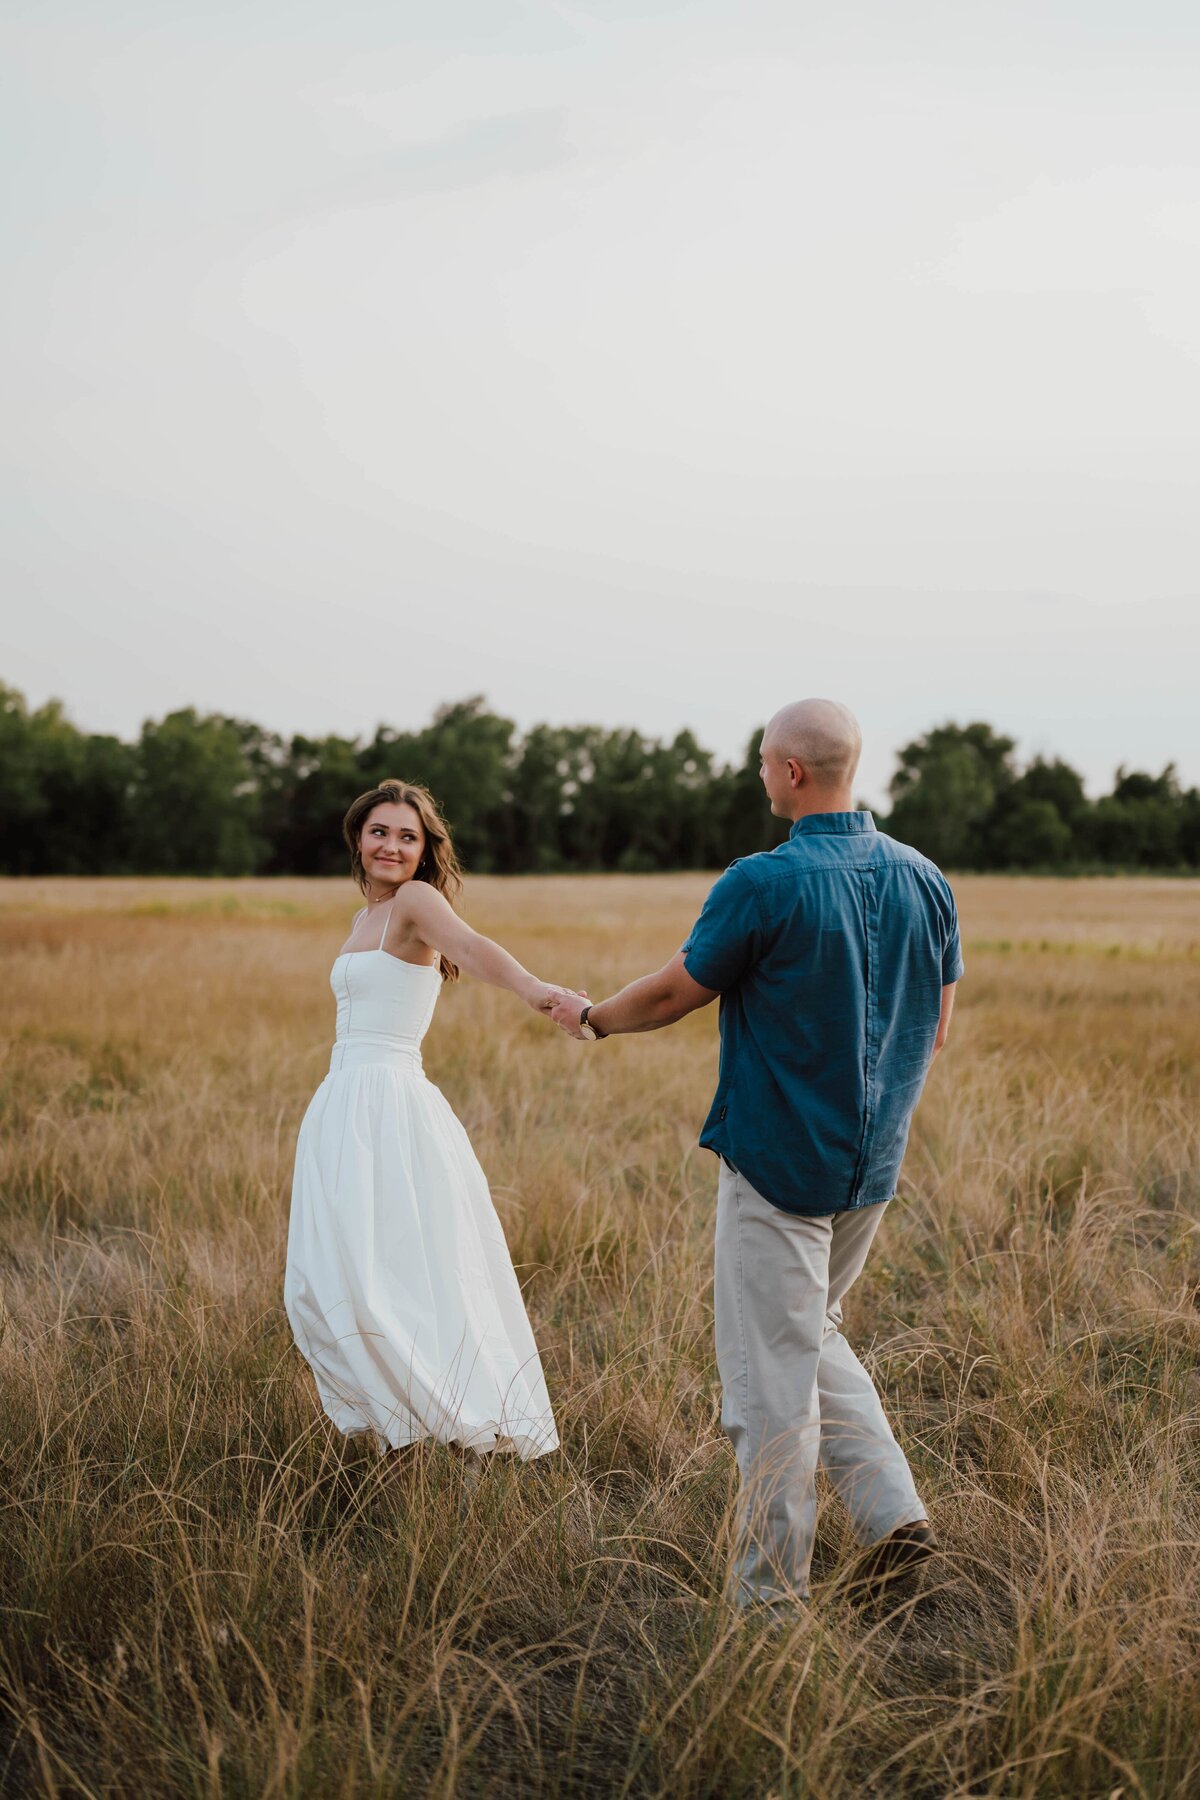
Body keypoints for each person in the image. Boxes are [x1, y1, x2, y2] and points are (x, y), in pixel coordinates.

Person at [548, 699, 962, 1609]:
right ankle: (894, 1518)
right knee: (809, 1334)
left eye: (764, 763)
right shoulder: (926, 877)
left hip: (779, 1171)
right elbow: (935, 1025)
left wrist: (591, 1018)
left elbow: (670, 994)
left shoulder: (762, 882)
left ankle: (770, 1604)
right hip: (870, 1171)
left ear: (792, 774)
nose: (760, 776)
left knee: (770, 1392)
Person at [285, 779, 561, 1462]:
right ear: (359, 836)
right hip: (343, 1101)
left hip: (392, 1104)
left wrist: (538, 992)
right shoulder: (364, 917)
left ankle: (457, 1426)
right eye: (380, 831)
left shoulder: (415, 901)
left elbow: (471, 948)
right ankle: (397, 1425)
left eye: (408, 836)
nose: (392, 845)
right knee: (336, 1274)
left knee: (401, 1273)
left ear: (424, 850)